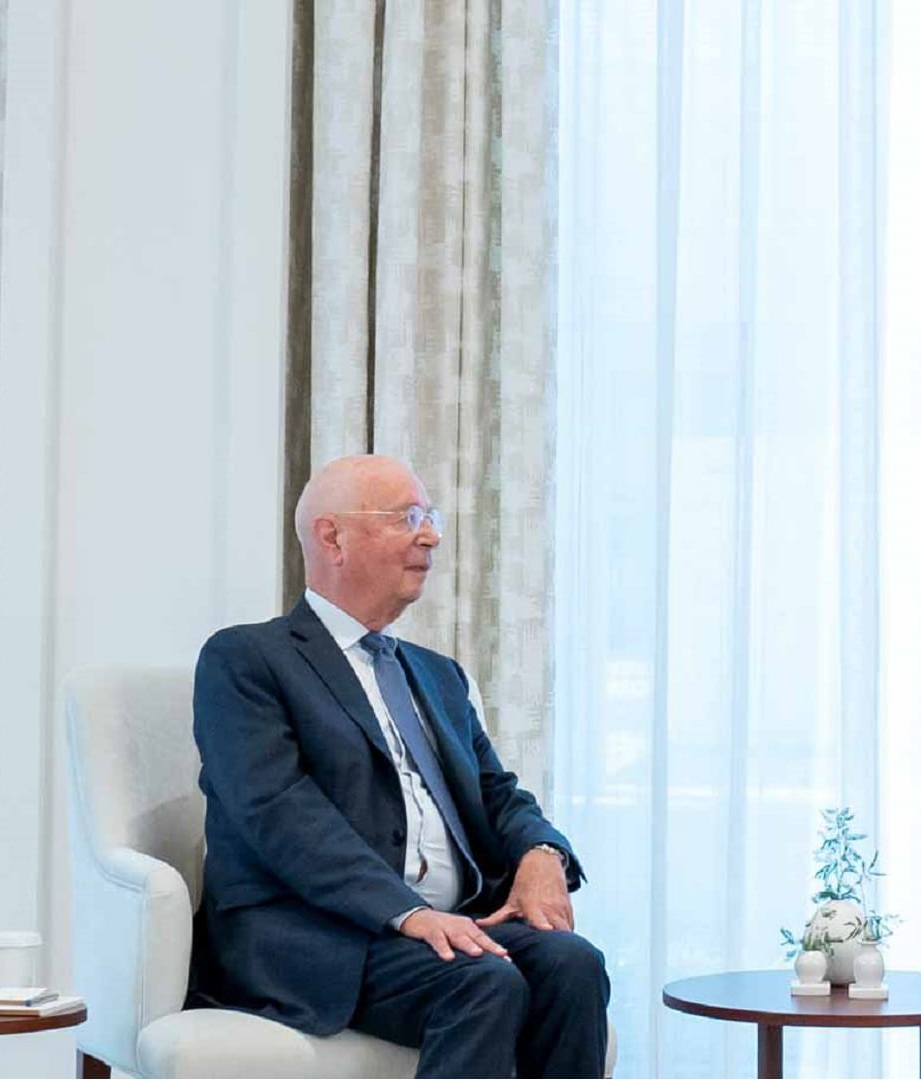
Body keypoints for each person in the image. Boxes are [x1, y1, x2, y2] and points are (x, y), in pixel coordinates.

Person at [186, 454, 608, 1078]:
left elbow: (497, 794)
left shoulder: (437, 675)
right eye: (408, 517)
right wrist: (407, 911)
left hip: (445, 927)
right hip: (313, 934)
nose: (431, 535)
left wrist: (543, 853)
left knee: (573, 964)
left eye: (430, 517)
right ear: (333, 536)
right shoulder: (247, 660)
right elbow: (279, 812)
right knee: (484, 982)